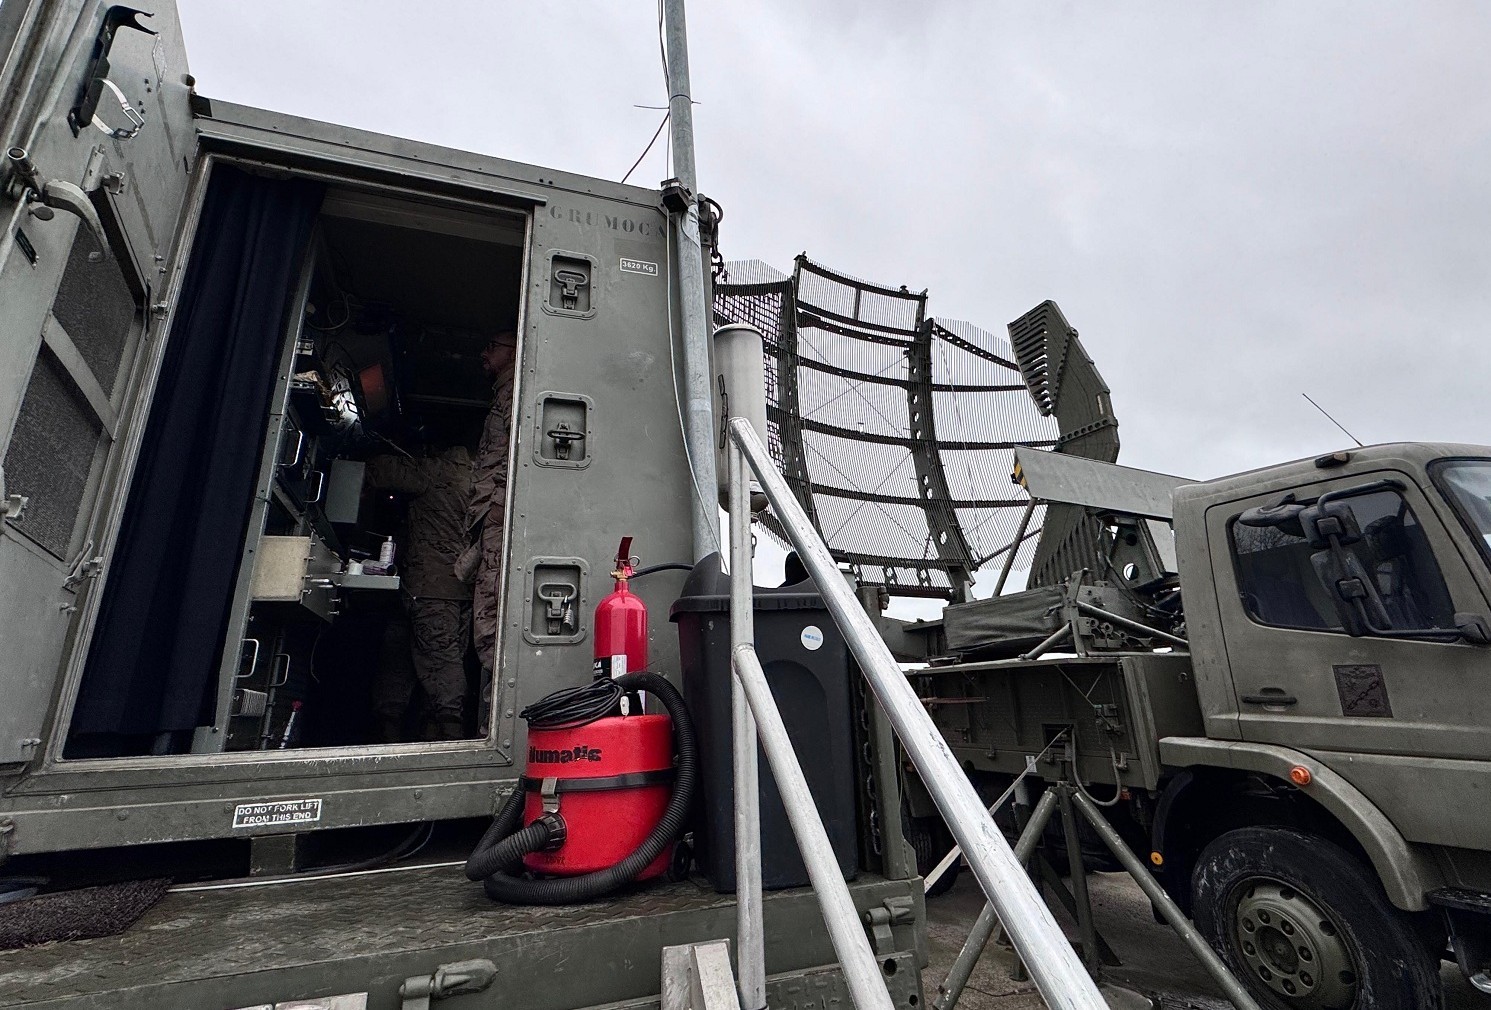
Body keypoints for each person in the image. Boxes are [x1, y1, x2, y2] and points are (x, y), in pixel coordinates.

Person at [366, 441, 474, 741]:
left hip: (428, 588)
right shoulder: (478, 480)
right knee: (427, 657)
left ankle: (444, 740)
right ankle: (430, 737)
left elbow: (380, 470)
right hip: (457, 590)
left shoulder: (436, 472)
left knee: (438, 664)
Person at [457, 331, 517, 730]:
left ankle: (493, 728)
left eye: (491, 345)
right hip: (488, 526)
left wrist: (498, 510)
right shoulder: (502, 394)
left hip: (497, 526)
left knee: (490, 627)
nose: (484, 352)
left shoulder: (515, 392)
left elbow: (521, 450)